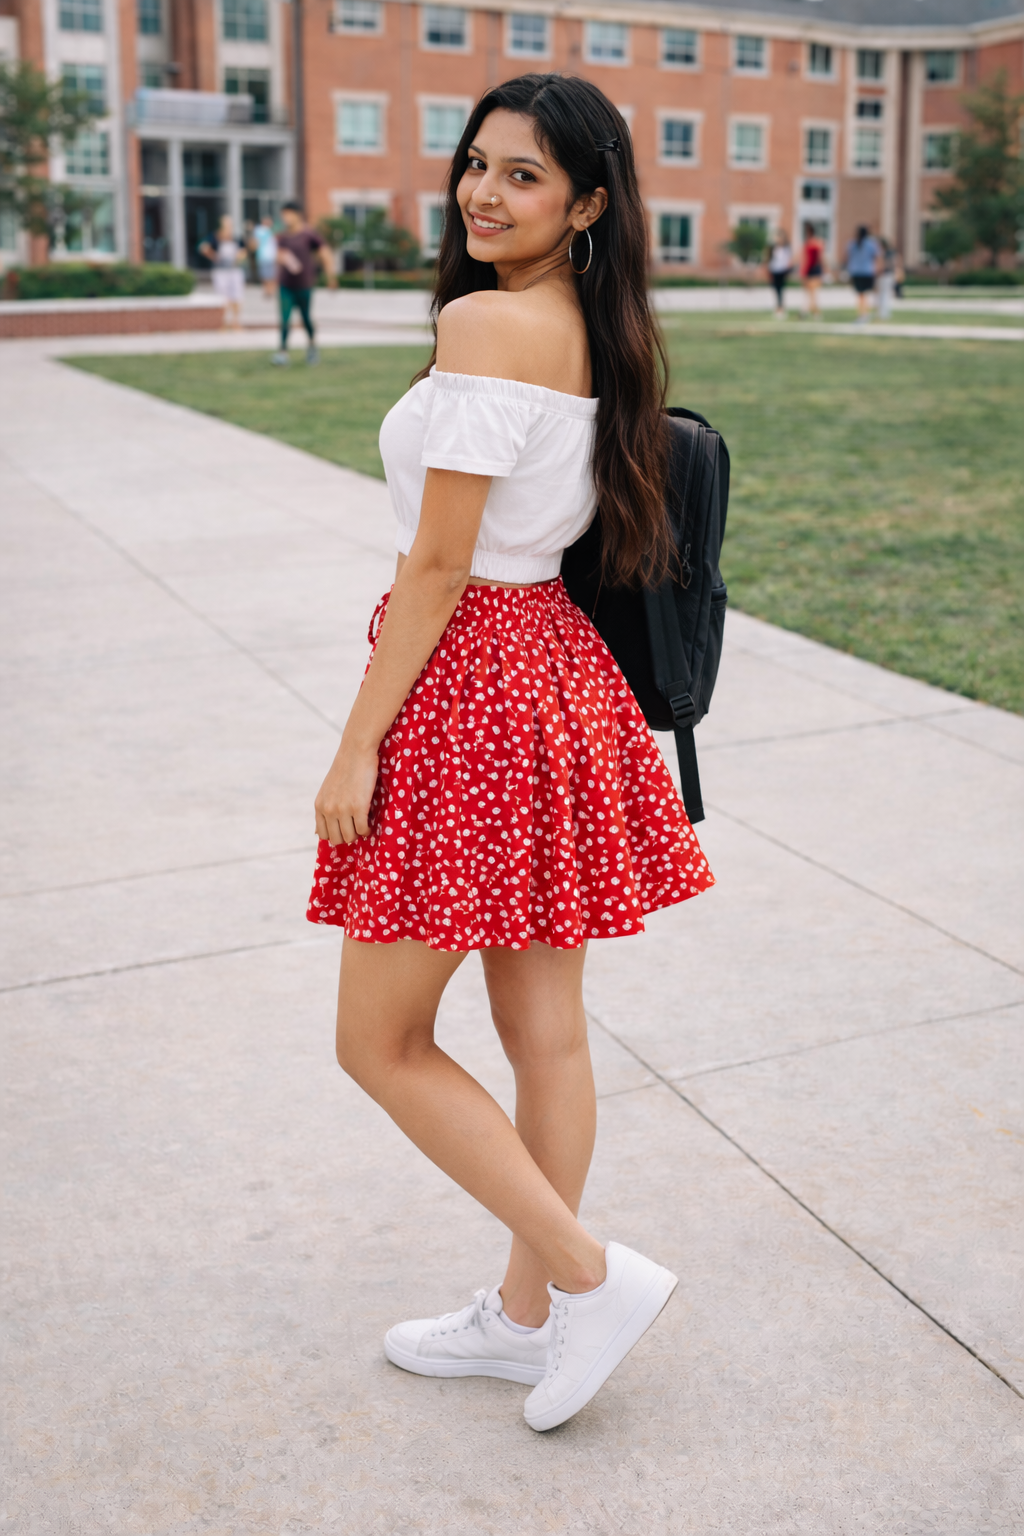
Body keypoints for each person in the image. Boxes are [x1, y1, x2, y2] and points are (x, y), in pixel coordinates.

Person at [307, 73, 714, 1433]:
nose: (484, 191)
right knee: (545, 1032)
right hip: (554, 675)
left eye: (525, 175)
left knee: (381, 1039)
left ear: (590, 203)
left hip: (474, 683)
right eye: (477, 164)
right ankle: (524, 1319)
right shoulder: (591, 332)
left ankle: (590, 1280)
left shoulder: (486, 322)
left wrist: (356, 744)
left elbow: (436, 563)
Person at [272, 200, 336, 366]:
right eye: (283, 214)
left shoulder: (309, 235)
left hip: (304, 285)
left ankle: (312, 348)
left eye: (288, 214)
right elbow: (278, 257)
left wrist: (331, 277)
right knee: (285, 319)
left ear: (297, 215)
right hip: (285, 285)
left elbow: (325, 254)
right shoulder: (282, 236)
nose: (285, 218)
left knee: (306, 318)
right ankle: (282, 352)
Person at [199, 213, 246, 330]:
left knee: (237, 297)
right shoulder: (214, 237)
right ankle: (223, 323)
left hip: (234, 271)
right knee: (222, 298)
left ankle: (235, 322)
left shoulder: (236, 238)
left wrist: (239, 257)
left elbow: (243, 251)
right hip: (220, 271)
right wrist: (214, 256)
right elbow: (203, 247)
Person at [846, 224, 881, 324]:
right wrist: (877, 270)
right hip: (868, 272)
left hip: (856, 272)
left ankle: (863, 314)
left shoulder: (852, 244)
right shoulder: (871, 244)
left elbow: (848, 258)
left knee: (860, 295)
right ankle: (864, 314)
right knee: (866, 295)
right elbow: (877, 258)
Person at [799, 222, 827, 319]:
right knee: (810, 293)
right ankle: (808, 312)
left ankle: (812, 312)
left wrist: (825, 269)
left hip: (813, 269)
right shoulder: (811, 243)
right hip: (810, 269)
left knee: (812, 293)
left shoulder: (813, 243)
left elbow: (820, 258)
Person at [250, 214, 278, 299]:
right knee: (266, 275)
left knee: (272, 275)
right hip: (264, 256)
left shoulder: (270, 231)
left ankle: (271, 291)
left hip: (272, 256)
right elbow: (255, 243)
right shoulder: (260, 230)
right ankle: (267, 291)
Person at [767, 229, 793, 318]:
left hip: (782, 271)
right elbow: (769, 259)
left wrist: (788, 269)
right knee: (775, 289)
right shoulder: (773, 247)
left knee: (780, 290)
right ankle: (778, 307)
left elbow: (788, 260)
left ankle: (781, 308)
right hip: (774, 270)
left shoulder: (786, 248)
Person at [877, 237, 899, 320]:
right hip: (888, 275)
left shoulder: (885, 253)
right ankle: (883, 313)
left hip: (885, 275)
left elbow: (886, 264)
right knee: (885, 294)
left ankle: (883, 313)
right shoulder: (891, 253)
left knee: (884, 294)